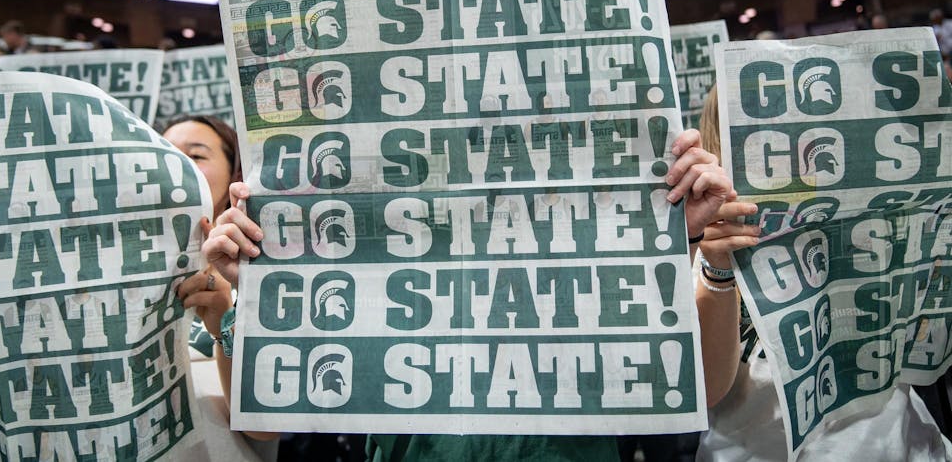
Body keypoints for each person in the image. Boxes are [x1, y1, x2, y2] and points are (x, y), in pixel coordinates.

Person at [202, 128, 736, 461]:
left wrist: (699, 251)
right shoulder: (379, 242)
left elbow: (702, 390)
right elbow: (264, 425)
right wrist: (257, 293)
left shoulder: (587, 235)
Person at [693, 87, 952, 461]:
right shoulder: (704, 235)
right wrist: (717, 267)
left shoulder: (874, 212)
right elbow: (708, 390)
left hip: (904, 443)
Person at [163, 116, 279, 461]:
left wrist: (223, 323)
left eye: (196, 155)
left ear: (234, 175)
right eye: (164, 153)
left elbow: (264, 428)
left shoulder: (262, 265)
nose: (177, 165)